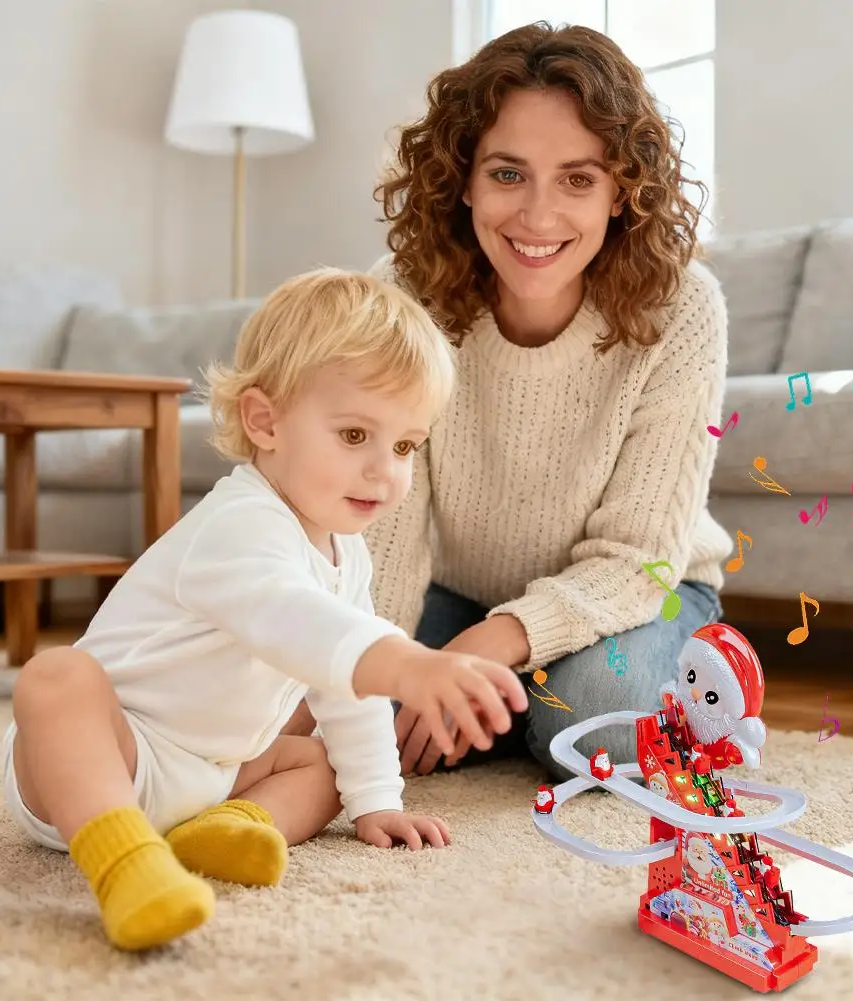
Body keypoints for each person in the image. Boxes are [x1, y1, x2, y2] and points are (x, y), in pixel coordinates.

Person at [2, 268, 528, 952]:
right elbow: (294, 620)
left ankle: (230, 829)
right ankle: (125, 863)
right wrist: (406, 663)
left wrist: (377, 799)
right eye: (353, 435)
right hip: (107, 755)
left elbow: (344, 687)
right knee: (55, 677)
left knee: (320, 764)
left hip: (216, 774)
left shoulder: (346, 551)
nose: (384, 470)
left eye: (404, 445)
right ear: (265, 420)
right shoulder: (239, 523)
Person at [293, 21, 732, 779]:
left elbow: (639, 562)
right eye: (506, 174)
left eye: (577, 178)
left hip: (637, 594)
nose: (536, 216)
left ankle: (683, 678)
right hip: (457, 594)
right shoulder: (405, 296)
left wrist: (480, 653)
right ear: (461, 178)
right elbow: (382, 539)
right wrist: (389, 676)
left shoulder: (682, 308)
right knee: (358, 711)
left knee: (603, 722)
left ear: (622, 190)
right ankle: (515, 706)